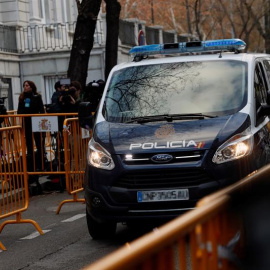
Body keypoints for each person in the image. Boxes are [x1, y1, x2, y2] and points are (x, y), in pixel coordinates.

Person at [17, 80, 45, 172]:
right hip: (27, 123)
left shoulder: (37, 97)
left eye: (27, 85)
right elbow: (19, 111)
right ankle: (31, 165)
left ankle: (41, 164)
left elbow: (41, 110)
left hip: (36, 122)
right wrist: (25, 107)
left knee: (39, 143)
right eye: (24, 85)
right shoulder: (22, 98)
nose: (25, 87)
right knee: (29, 143)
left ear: (32, 87)